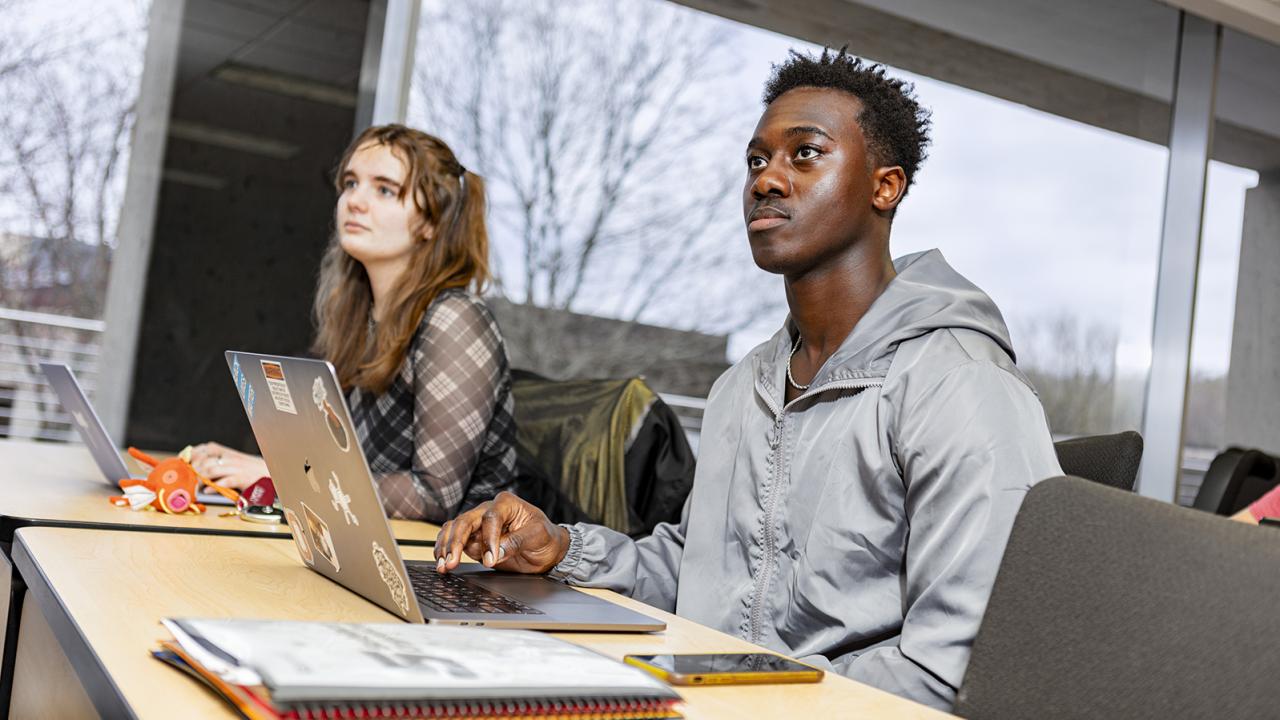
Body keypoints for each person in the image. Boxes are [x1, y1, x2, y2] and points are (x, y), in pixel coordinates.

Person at [434, 49, 1062, 710]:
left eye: (806, 154)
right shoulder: (743, 387)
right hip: (716, 696)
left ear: (886, 187)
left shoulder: (957, 384)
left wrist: (753, 693)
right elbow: (701, 572)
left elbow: (959, 662)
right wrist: (558, 548)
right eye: (757, 160)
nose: (766, 180)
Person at [191, 125, 517, 523]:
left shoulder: (455, 319)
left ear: (432, 222)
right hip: (378, 544)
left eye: (384, 190)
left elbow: (433, 495)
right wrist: (259, 466)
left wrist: (278, 473)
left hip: (459, 569)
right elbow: (346, 468)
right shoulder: (361, 319)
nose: (354, 201)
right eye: (350, 183)